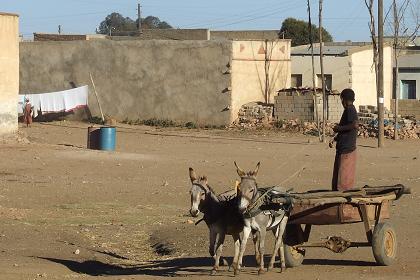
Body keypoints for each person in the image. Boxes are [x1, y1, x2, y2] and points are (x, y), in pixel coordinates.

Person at [331, 88, 358, 191]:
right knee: (338, 179)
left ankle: (342, 205)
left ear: (343, 99)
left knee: (343, 182)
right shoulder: (348, 110)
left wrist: (338, 128)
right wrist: (336, 138)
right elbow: (347, 129)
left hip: (347, 150)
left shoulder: (350, 109)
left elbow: (354, 125)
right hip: (343, 149)